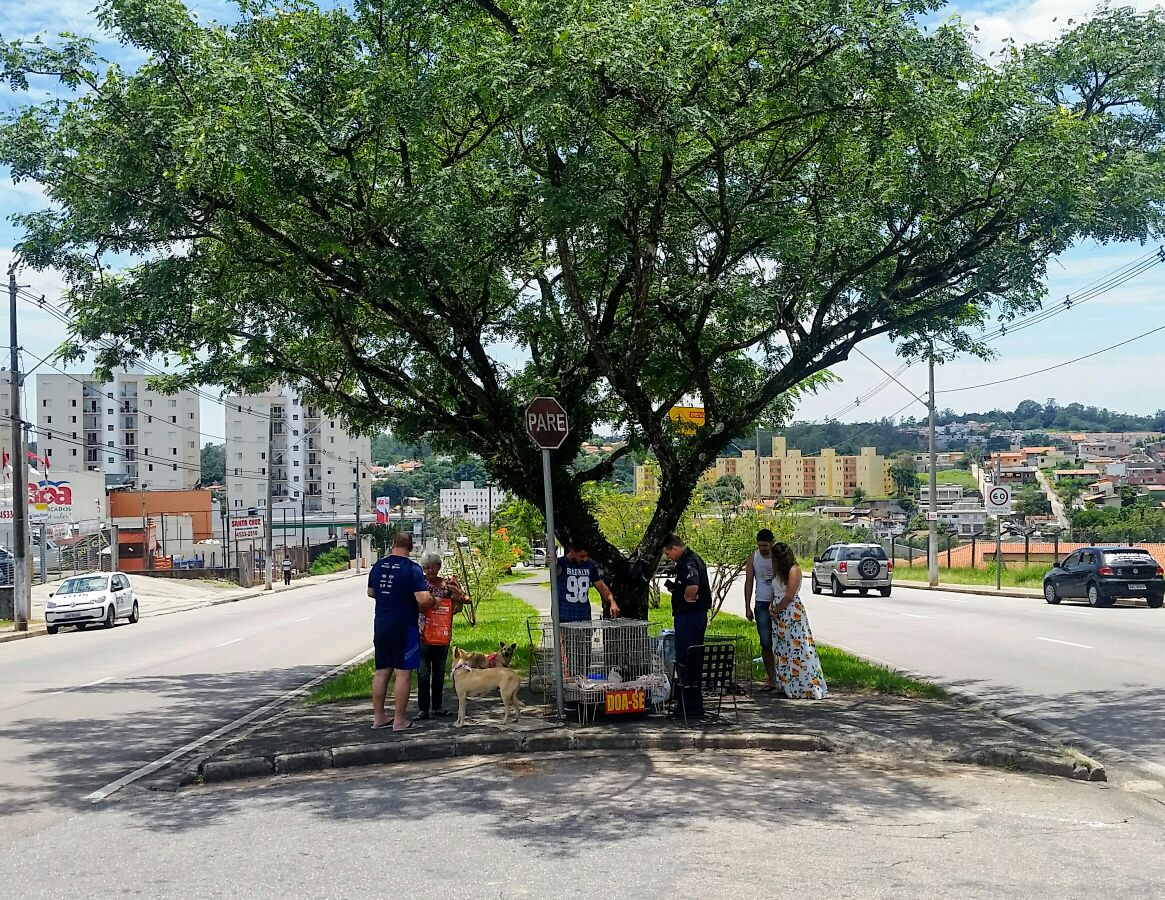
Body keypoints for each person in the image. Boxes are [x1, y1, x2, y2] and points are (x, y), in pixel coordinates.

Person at [367, 531, 435, 730]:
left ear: (392, 544)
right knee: (403, 674)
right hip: (404, 626)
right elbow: (423, 598)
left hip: (381, 624)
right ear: (411, 547)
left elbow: (371, 592)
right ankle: (399, 720)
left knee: (381, 673)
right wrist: (433, 600)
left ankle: (379, 718)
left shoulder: (378, 566)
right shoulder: (412, 569)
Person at [769, 542, 829, 700]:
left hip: (790, 612)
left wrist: (777, 609)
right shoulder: (777, 572)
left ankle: (803, 686)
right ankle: (785, 683)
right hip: (778, 613)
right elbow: (774, 592)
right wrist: (771, 608)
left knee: (797, 647)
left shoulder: (794, 570)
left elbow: (789, 596)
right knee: (782, 649)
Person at [662, 533, 712, 718]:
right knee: (692, 660)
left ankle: (689, 706)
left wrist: (685, 598)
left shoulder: (689, 561)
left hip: (690, 617)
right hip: (692, 616)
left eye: (668, 554)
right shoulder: (690, 559)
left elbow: (692, 586)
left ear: (674, 548)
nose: (668, 558)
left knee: (686, 660)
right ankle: (692, 704)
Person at [416, 551, 468, 720]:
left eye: (431, 567)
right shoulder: (420, 583)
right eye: (425, 568)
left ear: (438, 567)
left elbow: (467, 599)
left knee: (439, 672)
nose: (428, 571)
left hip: (442, 634)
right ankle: (423, 709)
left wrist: (456, 593)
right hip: (423, 633)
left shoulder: (447, 584)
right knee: (423, 672)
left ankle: (437, 707)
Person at [555, 542, 619, 679]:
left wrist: (612, 601)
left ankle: (582, 681)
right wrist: (550, 561)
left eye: (586, 556)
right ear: (572, 551)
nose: (584, 559)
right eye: (581, 556)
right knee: (569, 655)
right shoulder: (561, 564)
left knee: (584, 654)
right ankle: (571, 682)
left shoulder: (589, 566)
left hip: (584, 617)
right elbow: (553, 568)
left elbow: (601, 586)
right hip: (565, 618)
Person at [743, 528, 779, 691]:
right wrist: (747, 606)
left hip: (779, 604)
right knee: (766, 642)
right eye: (759, 546)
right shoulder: (753, 558)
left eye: (765, 545)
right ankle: (771, 678)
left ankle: (785, 676)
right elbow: (749, 581)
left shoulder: (778, 557)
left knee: (783, 641)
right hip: (761, 604)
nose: (762, 549)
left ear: (772, 543)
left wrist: (776, 602)